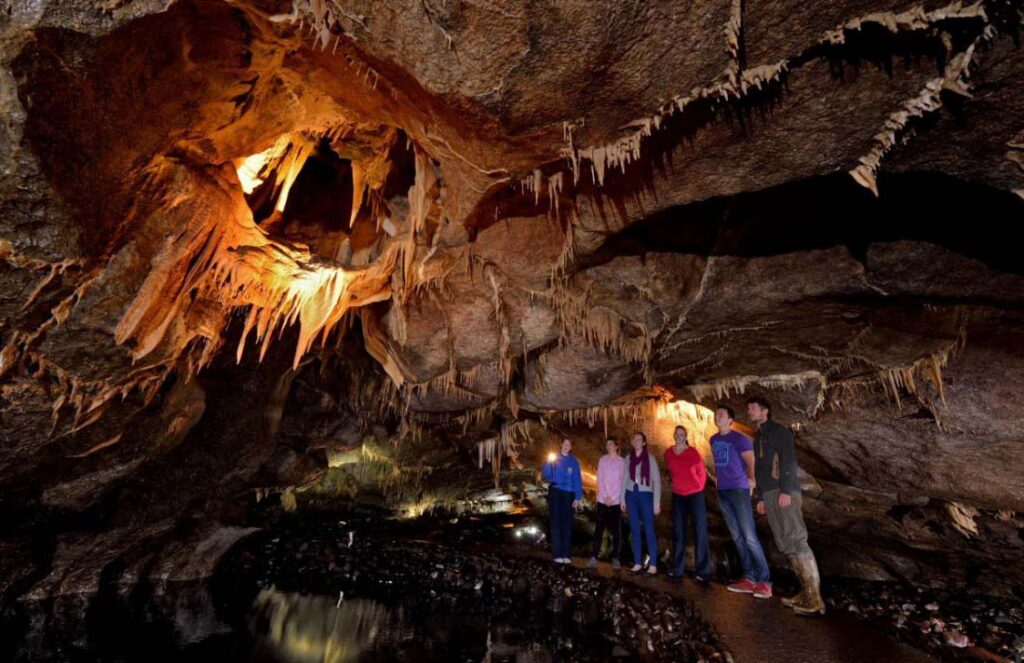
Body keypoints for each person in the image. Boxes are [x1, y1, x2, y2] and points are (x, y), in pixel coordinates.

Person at [747, 396, 826, 615]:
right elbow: (761, 470)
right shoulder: (758, 438)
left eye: (753, 407)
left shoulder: (779, 432)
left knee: (796, 539)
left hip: (784, 492)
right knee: (785, 543)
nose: (749, 411)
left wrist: (786, 490)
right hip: (770, 494)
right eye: (749, 408)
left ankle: (815, 599)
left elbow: (788, 460)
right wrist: (761, 497)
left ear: (765, 412)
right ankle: (805, 592)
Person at [711, 404, 772, 599]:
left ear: (730, 420)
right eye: (716, 414)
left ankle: (764, 581)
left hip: (738, 489)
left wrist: (752, 480)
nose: (717, 416)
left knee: (749, 535)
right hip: (723, 491)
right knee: (736, 536)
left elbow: (751, 461)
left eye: (721, 414)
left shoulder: (739, 438)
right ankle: (749, 577)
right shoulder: (713, 439)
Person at [663, 425, 712, 583]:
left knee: (700, 530)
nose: (679, 436)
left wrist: (699, 487)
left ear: (686, 436)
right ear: (673, 435)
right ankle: (677, 569)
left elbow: (701, 472)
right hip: (678, 495)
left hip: (695, 495)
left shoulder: (693, 452)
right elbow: (671, 471)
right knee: (678, 532)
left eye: (682, 434)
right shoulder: (668, 453)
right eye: (677, 434)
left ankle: (703, 571)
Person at [620, 432, 661, 575]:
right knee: (635, 529)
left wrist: (656, 502)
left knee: (649, 529)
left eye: (640, 439)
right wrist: (622, 498)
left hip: (646, 495)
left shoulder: (650, 459)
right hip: (630, 494)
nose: (637, 441)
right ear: (632, 442)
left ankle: (653, 565)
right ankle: (637, 562)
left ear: (644, 443)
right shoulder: (628, 459)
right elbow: (624, 478)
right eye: (635, 439)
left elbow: (656, 481)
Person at [541, 437, 583, 565]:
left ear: (571, 448)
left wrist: (577, 497)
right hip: (556, 491)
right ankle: (557, 554)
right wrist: (548, 463)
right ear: (561, 445)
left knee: (567, 523)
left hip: (569, 493)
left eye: (568, 444)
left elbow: (577, 479)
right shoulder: (554, 459)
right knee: (556, 522)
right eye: (564, 443)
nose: (566, 446)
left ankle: (566, 554)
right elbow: (546, 474)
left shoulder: (574, 462)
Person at [588, 438, 626, 569]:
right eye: (607, 444)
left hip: (616, 501)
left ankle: (616, 558)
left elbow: (622, 482)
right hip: (602, 500)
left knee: (617, 531)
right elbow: (600, 479)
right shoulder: (602, 460)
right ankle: (594, 556)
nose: (608, 446)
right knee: (599, 529)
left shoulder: (622, 462)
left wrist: (613, 497)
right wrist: (605, 496)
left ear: (616, 446)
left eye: (611, 444)